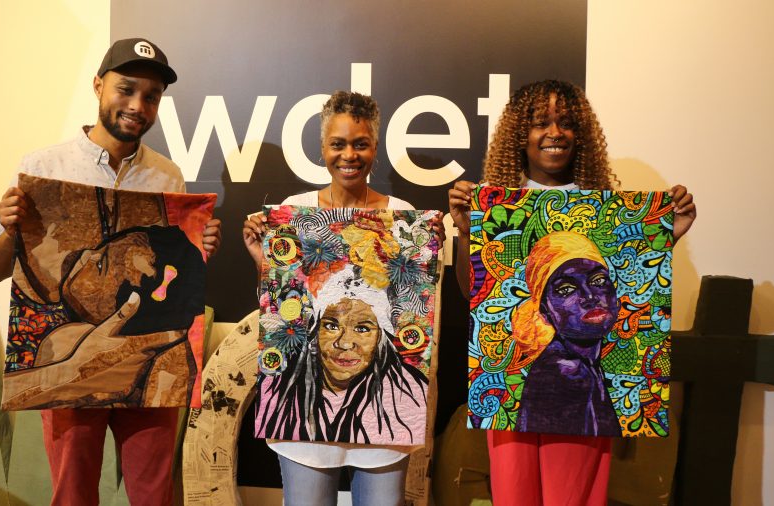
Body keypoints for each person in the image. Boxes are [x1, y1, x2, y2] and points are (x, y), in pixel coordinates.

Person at [0, 38, 221, 506]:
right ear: (98, 86)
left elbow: (171, 276)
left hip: (149, 360)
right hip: (70, 363)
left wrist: (198, 249)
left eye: (150, 96)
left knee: (153, 494)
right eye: (125, 89)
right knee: (72, 493)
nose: (137, 105)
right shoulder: (43, 166)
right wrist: (10, 229)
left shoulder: (167, 175)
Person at [448, 80, 696, 505]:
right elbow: (476, 299)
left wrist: (664, 237)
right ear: (518, 137)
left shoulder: (606, 207)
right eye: (541, 123)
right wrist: (468, 231)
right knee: (514, 495)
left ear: (581, 135)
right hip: (513, 390)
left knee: (573, 497)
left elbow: (631, 285)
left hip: (583, 396)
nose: (554, 133)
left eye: (566, 123)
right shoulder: (496, 208)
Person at [243, 91, 439, 506]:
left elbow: (414, 314)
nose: (349, 154)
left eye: (360, 143)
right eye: (338, 143)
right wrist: (263, 262)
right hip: (305, 418)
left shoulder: (403, 215)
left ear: (375, 148)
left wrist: (428, 255)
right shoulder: (295, 212)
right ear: (322, 148)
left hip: (385, 416)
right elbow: (282, 315)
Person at [255, 267, 429, 444]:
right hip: (302, 450)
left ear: (381, 337)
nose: (345, 343)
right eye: (331, 326)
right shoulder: (278, 387)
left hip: (381, 453)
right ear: (314, 330)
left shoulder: (408, 393)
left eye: (362, 329)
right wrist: (262, 259)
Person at [512, 231, 621, 437]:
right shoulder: (566, 372)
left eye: (598, 281)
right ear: (544, 309)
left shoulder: (582, 363)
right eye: (566, 289)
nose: (589, 296)